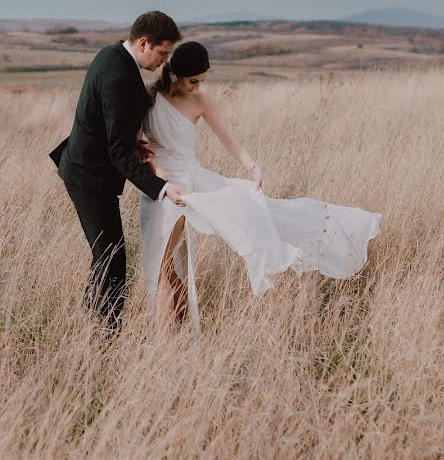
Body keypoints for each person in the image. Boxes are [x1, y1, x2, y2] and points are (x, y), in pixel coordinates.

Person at [139, 41, 382, 334]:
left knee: (168, 263)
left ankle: (170, 336)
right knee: (165, 265)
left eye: (202, 81)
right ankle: (175, 331)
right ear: (176, 74)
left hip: (188, 185)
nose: (197, 87)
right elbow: (143, 148)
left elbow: (228, 141)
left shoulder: (201, 102)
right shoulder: (150, 99)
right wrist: (159, 175)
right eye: (193, 81)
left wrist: (252, 166)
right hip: (159, 185)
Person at [49, 11, 187, 333]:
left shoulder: (111, 55)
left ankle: (89, 327)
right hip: (89, 177)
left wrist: (130, 142)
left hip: (86, 168)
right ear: (143, 43)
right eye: (163, 53)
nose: (164, 61)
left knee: (106, 256)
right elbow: (115, 153)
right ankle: (104, 339)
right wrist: (162, 188)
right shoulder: (121, 77)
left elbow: (110, 129)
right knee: (112, 260)